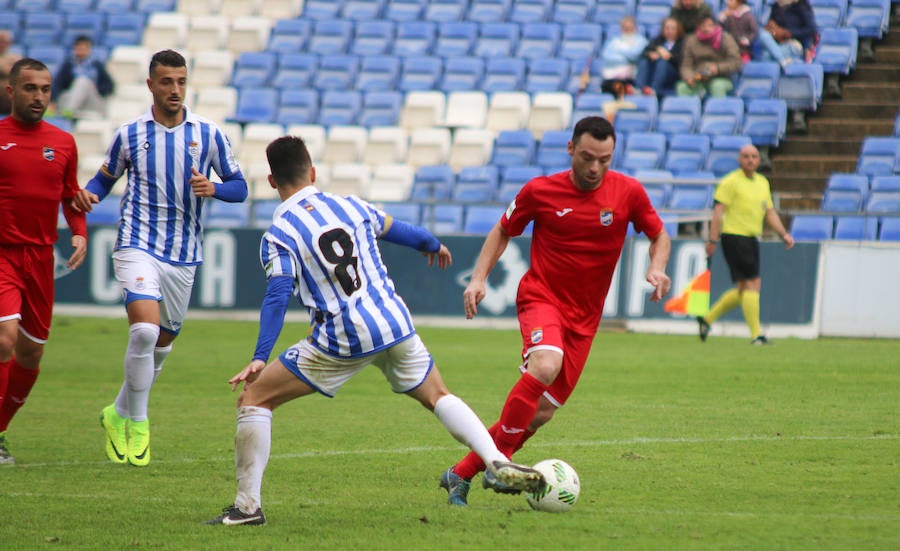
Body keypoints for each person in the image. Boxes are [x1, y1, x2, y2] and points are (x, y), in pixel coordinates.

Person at [206, 136, 545, 525]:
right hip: (394, 322)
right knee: (438, 395)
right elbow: (402, 230)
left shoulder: (279, 233)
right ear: (313, 172)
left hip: (341, 337)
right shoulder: (351, 205)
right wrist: (432, 243)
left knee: (255, 397)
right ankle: (496, 460)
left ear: (271, 181)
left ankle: (247, 508)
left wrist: (260, 356)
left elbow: (279, 293)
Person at [439, 116, 672, 506]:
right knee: (544, 365)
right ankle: (500, 466)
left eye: (604, 159)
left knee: (540, 413)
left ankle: (460, 474)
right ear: (570, 150)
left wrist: (658, 266)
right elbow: (502, 230)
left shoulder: (628, 192)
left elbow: (659, 234)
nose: (595, 167)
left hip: (585, 319)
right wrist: (478, 278)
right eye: (587, 157)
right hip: (542, 298)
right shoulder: (540, 191)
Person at [72, 50, 248, 467]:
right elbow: (104, 177)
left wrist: (214, 188)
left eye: (181, 82)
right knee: (145, 334)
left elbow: (239, 187)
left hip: (184, 254)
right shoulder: (130, 134)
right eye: (166, 82)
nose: (174, 89)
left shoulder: (208, 133)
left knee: (160, 346)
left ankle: (117, 412)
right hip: (137, 244)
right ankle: (139, 422)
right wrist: (92, 193)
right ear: (150, 84)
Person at [0, 58, 88, 464]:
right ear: (11, 91)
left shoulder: (64, 142)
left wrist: (81, 232)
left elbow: (72, 195)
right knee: (6, 339)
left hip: (40, 257)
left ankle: (0, 430)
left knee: (31, 353)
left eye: (46, 89)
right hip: (2, 253)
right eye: (31, 88)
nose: (39, 96)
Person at [696, 144, 794, 345]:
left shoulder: (762, 183)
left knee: (743, 288)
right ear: (740, 160)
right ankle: (756, 335)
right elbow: (718, 213)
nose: (750, 160)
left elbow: (769, 212)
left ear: (759, 160)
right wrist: (712, 239)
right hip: (734, 237)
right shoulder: (730, 182)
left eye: (754, 156)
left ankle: (707, 320)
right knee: (752, 283)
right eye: (746, 156)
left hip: (751, 238)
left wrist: (783, 233)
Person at [675, 16, 743, 98]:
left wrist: (718, 68)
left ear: (715, 26)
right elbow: (686, 64)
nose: (706, 29)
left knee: (717, 86)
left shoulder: (726, 39)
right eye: (703, 26)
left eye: (710, 25)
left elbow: (736, 63)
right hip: (698, 77)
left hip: (721, 77)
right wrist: (689, 77)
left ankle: (718, 109)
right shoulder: (691, 41)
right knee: (681, 87)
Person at [51, 35, 115, 119]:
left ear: (89, 50)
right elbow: (58, 84)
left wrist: (97, 89)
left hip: (92, 101)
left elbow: (109, 86)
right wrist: (52, 101)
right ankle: (66, 111)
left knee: (83, 81)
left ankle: (69, 110)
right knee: (64, 94)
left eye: (84, 48)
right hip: (72, 98)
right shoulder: (68, 65)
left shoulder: (97, 65)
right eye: (79, 48)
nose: (81, 51)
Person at [634, 17, 685, 97]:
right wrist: (651, 55)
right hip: (653, 70)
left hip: (672, 73)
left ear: (678, 30)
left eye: (672, 28)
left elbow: (681, 61)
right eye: (667, 28)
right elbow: (644, 53)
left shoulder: (682, 43)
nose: (669, 31)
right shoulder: (657, 40)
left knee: (662, 62)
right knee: (644, 61)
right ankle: (639, 88)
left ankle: (654, 90)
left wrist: (669, 57)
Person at [598, 16, 648, 96]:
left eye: (630, 28)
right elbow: (606, 56)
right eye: (625, 28)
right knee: (607, 85)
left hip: (631, 76)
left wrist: (619, 50)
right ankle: (624, 89)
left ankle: (629, 89)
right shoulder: (614, 41)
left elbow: (634, 55)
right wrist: (626, 57)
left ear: (635, 28)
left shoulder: (642, 41)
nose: (628, 31)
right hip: (612, 74)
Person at [0, 31, 22, 115]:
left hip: (9, 94)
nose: (2, 44)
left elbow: (18, 73)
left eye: (4, 42)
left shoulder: (14, 58)